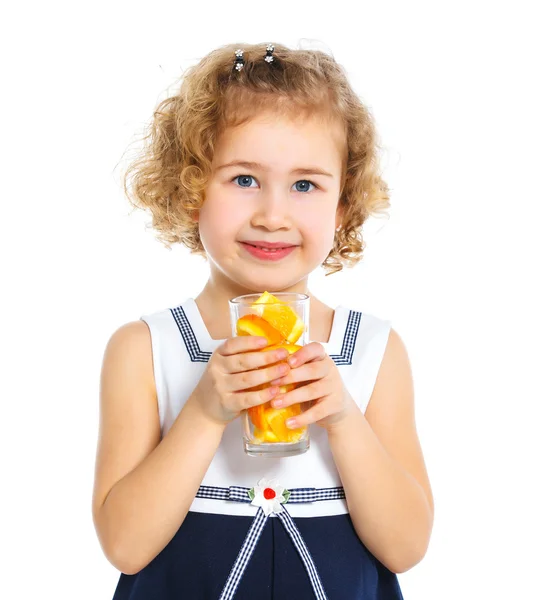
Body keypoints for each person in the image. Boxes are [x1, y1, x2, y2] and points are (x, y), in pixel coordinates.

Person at [92, 41, 434, 600]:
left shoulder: (373, 350)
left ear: (342, 205)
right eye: (244, 179)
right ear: (191, 189)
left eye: (305, 185)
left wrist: (345, 419)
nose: (273, 215)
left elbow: (406, 546)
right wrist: (204, 412)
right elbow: (126, 547)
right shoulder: (144, 349)